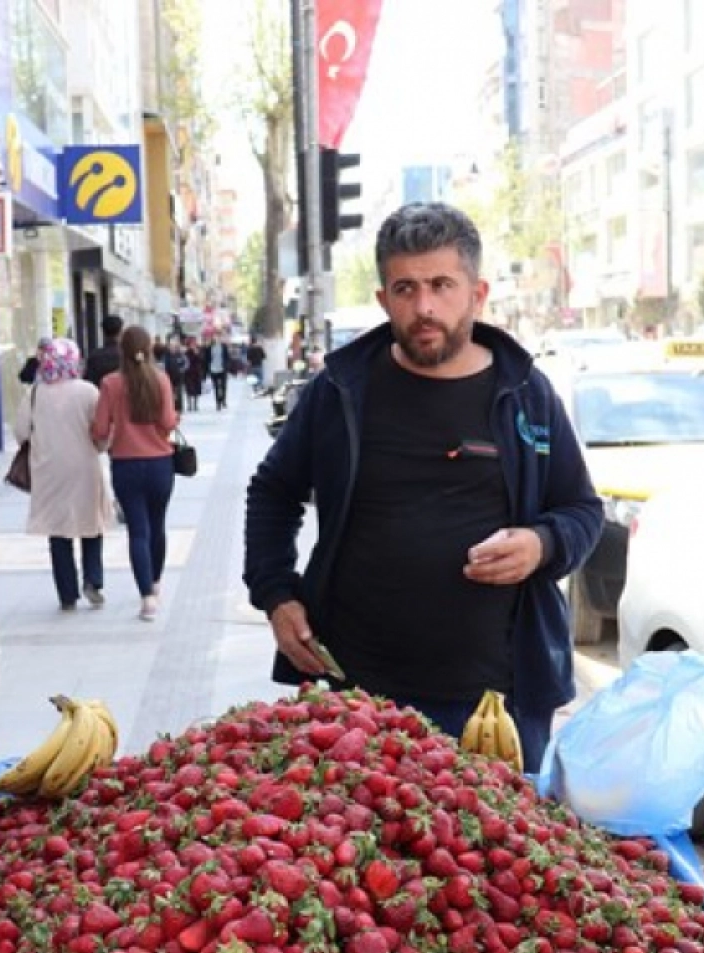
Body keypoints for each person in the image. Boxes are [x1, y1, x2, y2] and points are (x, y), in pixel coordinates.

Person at [243, 202, 604, 774]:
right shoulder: (339, 391)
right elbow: (273, 490)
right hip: (353, 695)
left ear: (477, 292)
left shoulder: (527, 393)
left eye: (442, 285)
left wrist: (541, 545)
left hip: (494, 706)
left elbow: (583, 509)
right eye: (405, 289)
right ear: (384, 299)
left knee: (490, 859)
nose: (424, 307)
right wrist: (275, 593)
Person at [12, 337, 112, 610]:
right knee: (91, 524)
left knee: (58, 531)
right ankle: (93, 580)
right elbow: (102, 433)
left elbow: (21, 432)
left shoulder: (35, 392)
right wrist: (100, 447)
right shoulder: (88, 391)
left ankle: (67, 594)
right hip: (84, 467)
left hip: (48, 470)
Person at [92, 324, 178, 621]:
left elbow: (101, 429)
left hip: (126, 465)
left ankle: (147, 599)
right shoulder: (162, 380)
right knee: (158, 526)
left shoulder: (110, 384)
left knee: (138, 532)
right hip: (160, 465)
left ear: (122, 350)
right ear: (150, 348)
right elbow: (168, 423)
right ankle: (156, 583)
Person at [83, 314, 123, 387]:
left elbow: (88, 382)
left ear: (103, 332)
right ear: (121, 331)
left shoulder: (94, 356)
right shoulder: (126, 355)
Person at [206, 335, 229, 409]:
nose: (216, 338)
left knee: (223, 386)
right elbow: (207, 359)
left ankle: (223, 400)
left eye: (218, 337)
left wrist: (226, 365)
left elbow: (227, 357)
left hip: (222, 369)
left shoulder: (223, 346)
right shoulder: (210, 347)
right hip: (213, 369)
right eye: (215, 337)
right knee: (216, 387)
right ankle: (218, 403)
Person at [182, 338, 204, 411]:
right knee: (189, 389)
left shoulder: (198, 351)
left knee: (196, 390)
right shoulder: (186, 352)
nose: (192, 346)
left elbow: (201, 360)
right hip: (188, 373)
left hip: (196, 373)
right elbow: (184, 361)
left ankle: (195, 405)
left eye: (194, 344)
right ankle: (189, 405)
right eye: (191, 344)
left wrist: (197, 353)